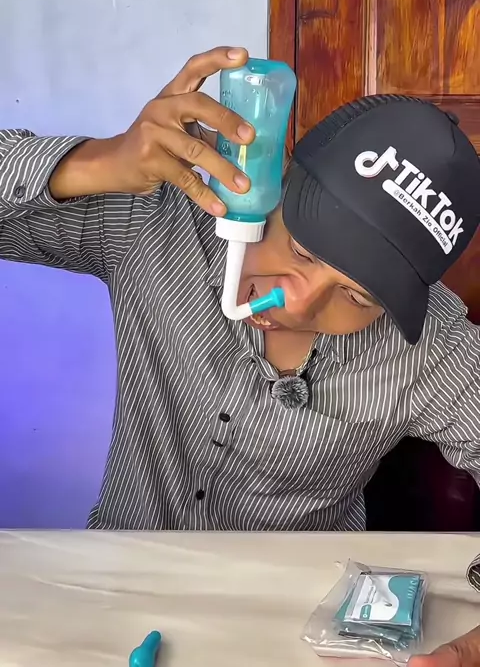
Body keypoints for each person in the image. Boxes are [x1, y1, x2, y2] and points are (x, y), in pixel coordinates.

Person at [1, 47, 480, 651]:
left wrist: (469, 648)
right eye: (302, 250)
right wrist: (98, 161)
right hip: (119, 583)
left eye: (358, 296)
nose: (298, 304)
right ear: (277, 181)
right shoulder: (161, 226)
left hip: (302, 615)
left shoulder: (431, 348)